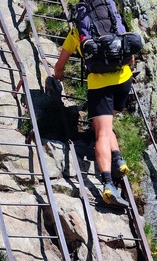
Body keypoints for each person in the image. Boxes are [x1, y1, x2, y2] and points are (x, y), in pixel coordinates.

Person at [53, 26, 133, 208]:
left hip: (100, 84)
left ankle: (108, 186)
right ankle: (119, 161)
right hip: (124, 79)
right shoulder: (114, 23)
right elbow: (131, 56)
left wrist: (57, 77)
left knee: (102, 133)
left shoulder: (76, 31)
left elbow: (59, 66)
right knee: (106, 124)